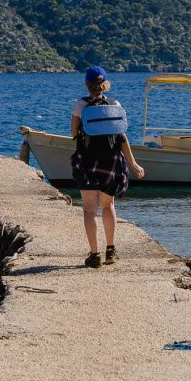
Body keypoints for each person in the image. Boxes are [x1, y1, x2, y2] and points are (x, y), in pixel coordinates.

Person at [70, 66, 144, 268]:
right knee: (108, 205)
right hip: (111, 161)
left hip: (86, 161)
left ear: (87, 85)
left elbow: (73, 132)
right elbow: (122, 137)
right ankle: (110, 251)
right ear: (105, 84)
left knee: (89, 209)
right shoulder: (115, 105)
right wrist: (133, 164)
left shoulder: (80, 105)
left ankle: (94, 256)